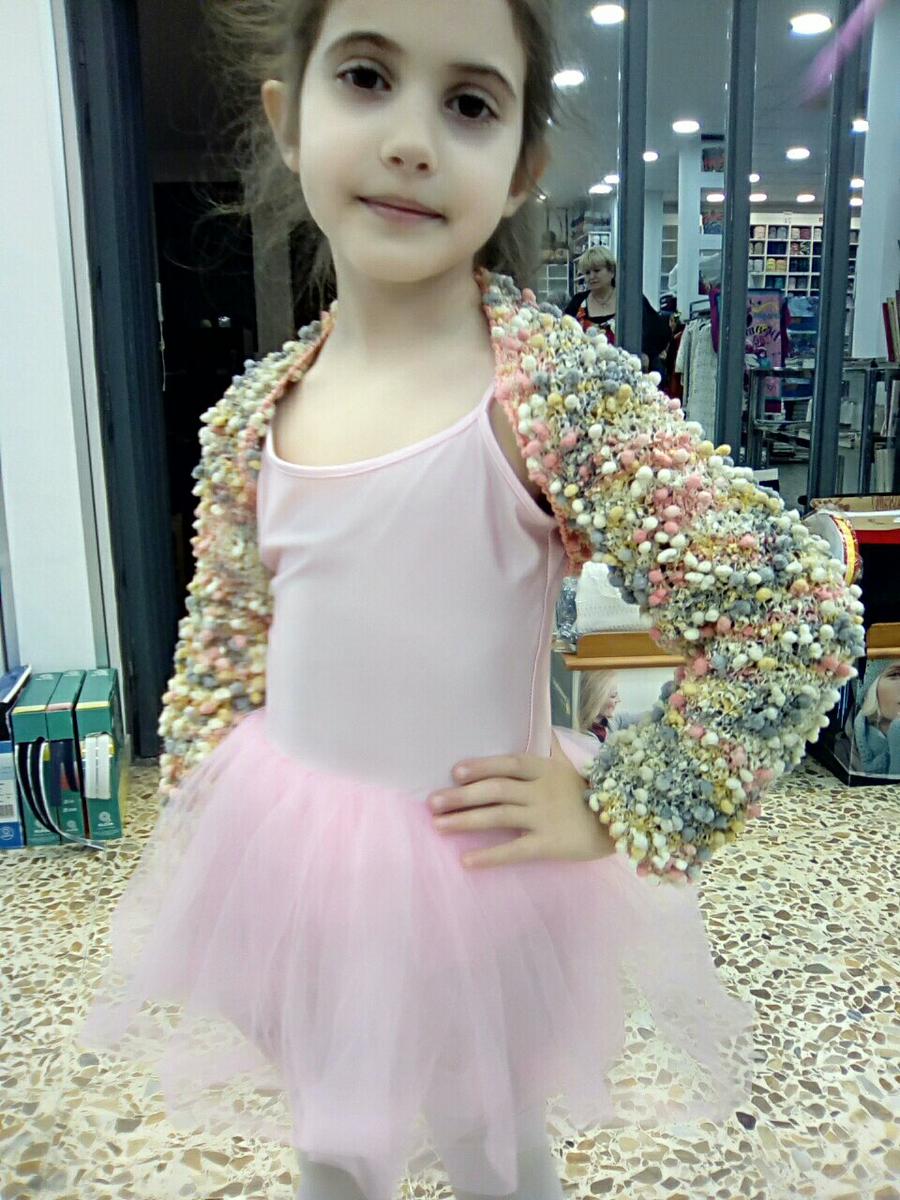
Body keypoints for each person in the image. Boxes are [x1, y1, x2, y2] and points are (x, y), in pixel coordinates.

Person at [77, 2, 864, 1198]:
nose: (411, 139)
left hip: (473, 872)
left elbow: (788, 613)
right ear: (290, 119)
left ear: (521, 164)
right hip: (292, 860)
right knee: (334, 1141)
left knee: (492, 1142)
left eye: (468, 103)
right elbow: (224, 647)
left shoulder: (552, 394)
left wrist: (628, 800)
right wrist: (211, 842)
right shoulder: (252, 415)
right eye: (365, 77)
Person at [563, 245, 671, 378]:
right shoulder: (577, 302)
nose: (591, 276)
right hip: (587, 376)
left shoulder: (630, 300)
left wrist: (646, 353)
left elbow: (660, 332)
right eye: (587, 272)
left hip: (628, 374)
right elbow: (564, 334)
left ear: (612, 272)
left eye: (597, 270)